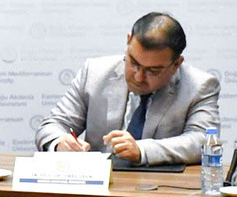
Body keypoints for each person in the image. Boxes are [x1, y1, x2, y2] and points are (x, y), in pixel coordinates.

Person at [35, 12, 220, 164]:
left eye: (153, 71)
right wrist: (60, 142)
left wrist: (141, 150)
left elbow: (203, 141)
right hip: (100, 187)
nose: (138, 77)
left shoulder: (200, 86)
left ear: (176, 64)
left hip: (161, 188)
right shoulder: (94, 73)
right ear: (128, 41)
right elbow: (52, 125)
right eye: (134, 63)